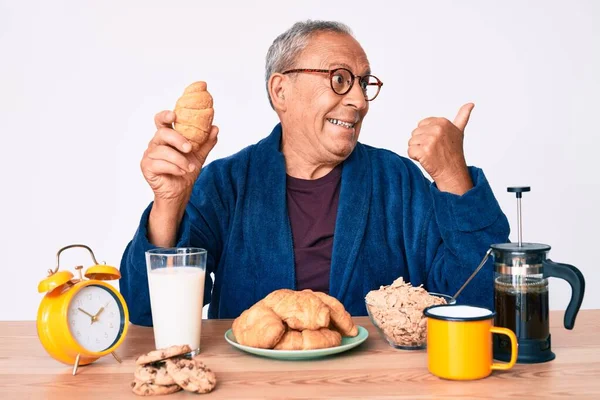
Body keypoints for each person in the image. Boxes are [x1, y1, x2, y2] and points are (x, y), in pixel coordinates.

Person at [119, 20, 510, 326]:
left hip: (374, 386)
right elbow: (145, 314)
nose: (358, 100)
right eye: (339, 80)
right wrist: (168, 204)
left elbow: (477, 300)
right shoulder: (226, 184)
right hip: (252, 388)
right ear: (281, 91)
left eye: (363, 83)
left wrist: (455, 177)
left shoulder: (398, 182)